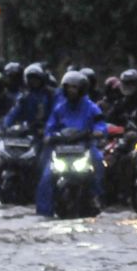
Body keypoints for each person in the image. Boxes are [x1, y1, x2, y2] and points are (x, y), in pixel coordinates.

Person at [36, 71, 105, 217]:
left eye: (75, 87)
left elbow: (100, 123)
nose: (71, 90)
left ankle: (97, 197)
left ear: (82, 89)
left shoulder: (91, 107)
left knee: (98, 160)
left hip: (84, 146)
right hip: (62, 148)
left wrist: (98, 132)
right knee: (47, 175)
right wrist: (49, 136)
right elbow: (50, 126)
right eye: (69, 87)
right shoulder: (59, 108)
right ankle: (44, 211)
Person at [3, 62, 54, 135]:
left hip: (49, 130)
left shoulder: (51, 94)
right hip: (31, 130)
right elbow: (13, 113)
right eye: (31, 78)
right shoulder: (24, 97)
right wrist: (5, 126)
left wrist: (49, 127)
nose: (34, 81)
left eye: (36, 78)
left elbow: (57, 113)